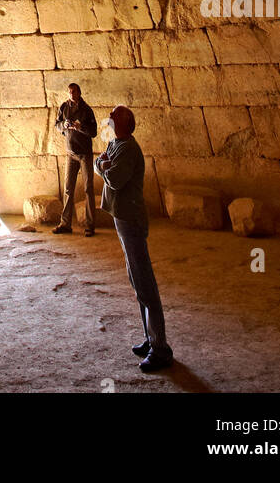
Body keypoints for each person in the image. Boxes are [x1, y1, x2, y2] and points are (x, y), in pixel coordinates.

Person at [96, 105, 173, 372]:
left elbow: (114, 179)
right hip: (122, 217)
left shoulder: (128, 149)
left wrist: (103, 165)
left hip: (131, 219)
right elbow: (100, 163)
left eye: (114, 117)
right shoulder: (117, 143)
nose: (110, 119)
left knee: (144, 281)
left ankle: (161, 349)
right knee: (136, 279)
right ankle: (150, 338)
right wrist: (102, 164)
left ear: (126, 123)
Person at [52, 81, 97, 237]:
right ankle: (65, 223)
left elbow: (94, 131)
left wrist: (80, 127)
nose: (71, 94)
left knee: (88, 189)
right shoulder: (64, 107)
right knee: (68, 189)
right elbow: (57, 125)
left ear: (79, 93)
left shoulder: (86, 110)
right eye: (69, 91)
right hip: (70, 153)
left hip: (85, 153)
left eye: (74, 91)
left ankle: (90, 225)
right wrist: (64, 125)